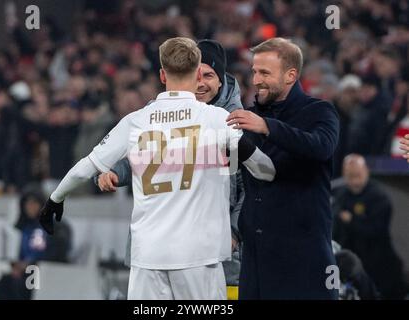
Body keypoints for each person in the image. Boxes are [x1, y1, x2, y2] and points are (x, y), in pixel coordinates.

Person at [39, 37, 276, 300]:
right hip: (198, 256)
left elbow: (85, 167)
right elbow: (266, 172)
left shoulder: (137, 120)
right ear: (196, 72)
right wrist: (251, 149)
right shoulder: (218, 120)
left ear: (162, 75)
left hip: (148, 257)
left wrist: (54, 199)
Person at [96, 39, 245, 298]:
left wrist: (233, 232)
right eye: (196, 75)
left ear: (221, 80)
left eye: (208, 75)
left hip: (218, 257)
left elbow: (249, 189)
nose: (200, 83)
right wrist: (116, 173)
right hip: (159, 253)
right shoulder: (158, 115)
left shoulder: (235, 125)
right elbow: (147, 153)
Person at [226, 37, 340, 299]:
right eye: (254, 71)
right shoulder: (248, 117)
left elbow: (321, 147)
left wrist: (267, 128)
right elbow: (233, 176)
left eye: (265, 72)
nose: (256, 80)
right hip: (254, 261)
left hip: (304, 261)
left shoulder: (320, 111)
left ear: (290, 75)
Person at [332, 154, 408, 299]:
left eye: (357, 175)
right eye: (350, 176)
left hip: (379, 266)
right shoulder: (340, 194)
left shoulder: (379, 197)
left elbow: (377, 231)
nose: (354, 181)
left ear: (366, 170)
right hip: (351, 263)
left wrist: (351, 220)